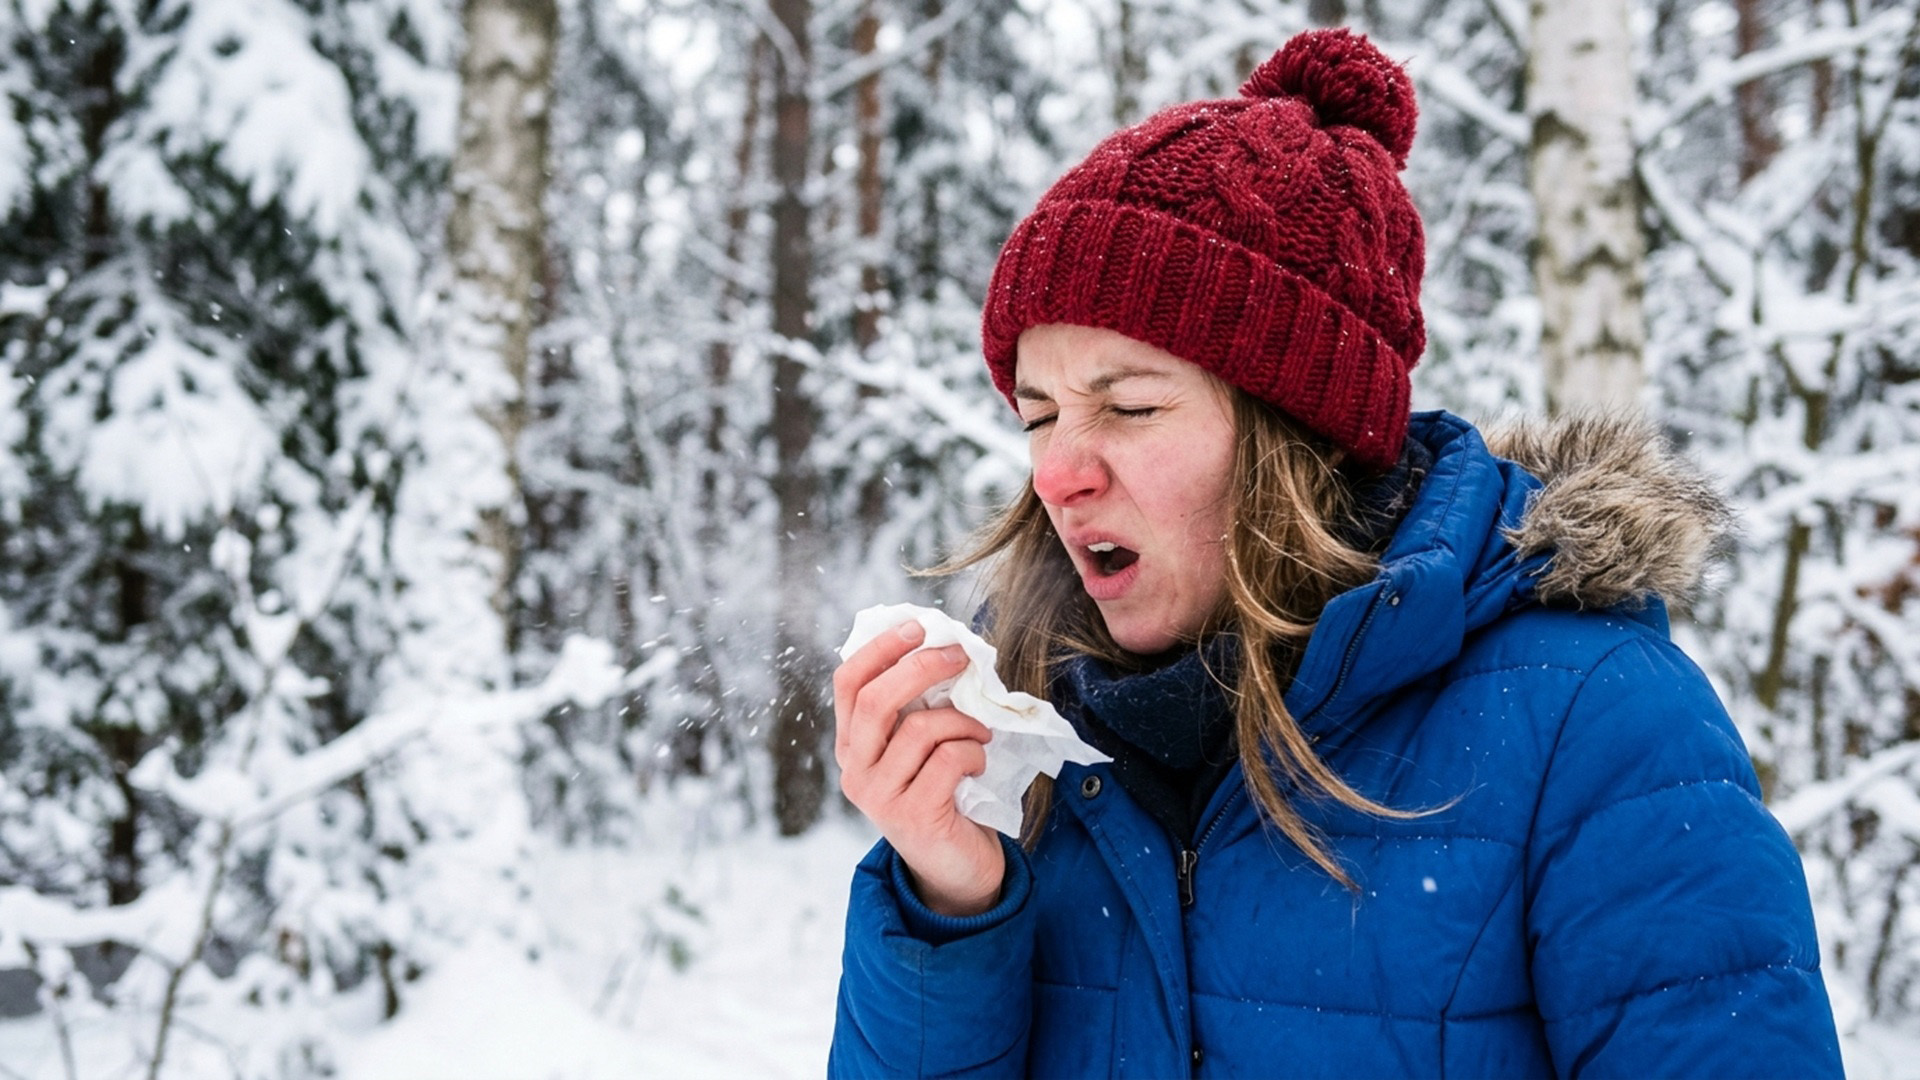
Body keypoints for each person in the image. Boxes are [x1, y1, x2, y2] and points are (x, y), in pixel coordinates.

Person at [828, 28, 1843, 1078]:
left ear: (1299, 438)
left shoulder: (1597, 728)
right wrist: (951, 905)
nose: (1057, 473)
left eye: (1127, 406)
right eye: (1038, 415)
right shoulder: (1030, 741)